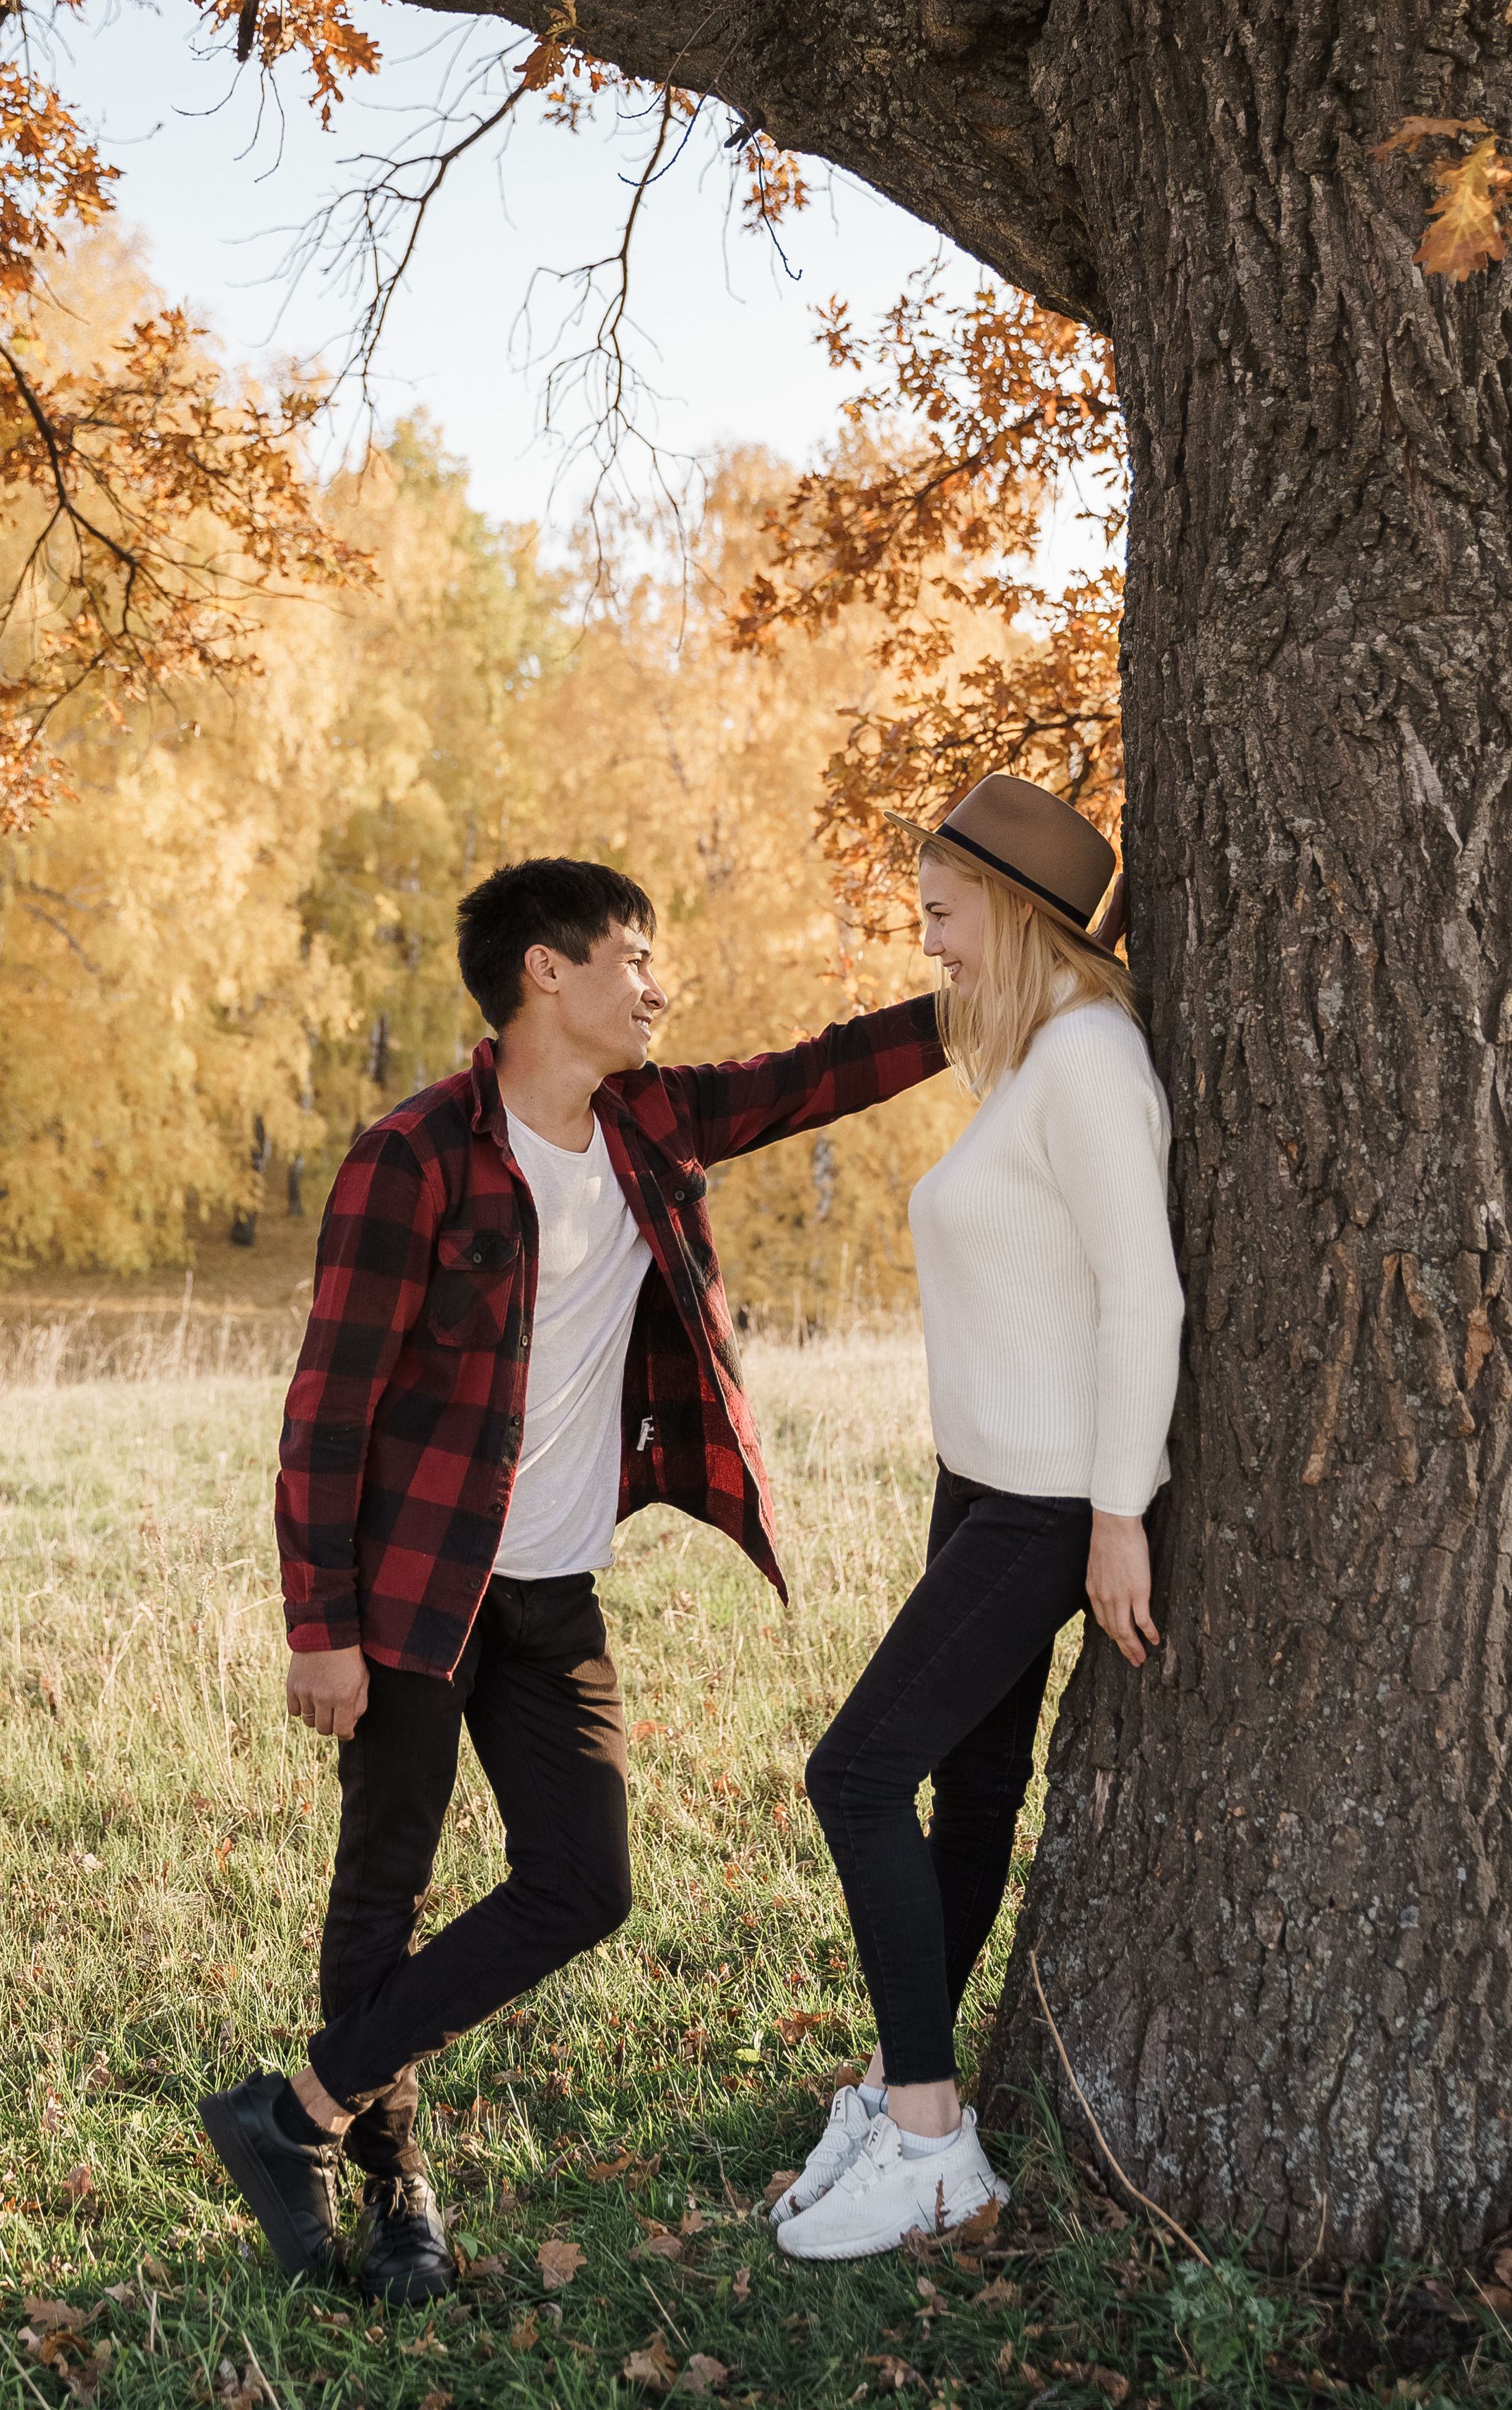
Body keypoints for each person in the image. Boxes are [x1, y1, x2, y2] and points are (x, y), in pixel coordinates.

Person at [198, 856, 953, 2304]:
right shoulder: (412, 1156)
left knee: (581, 1883)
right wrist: (321, 1628)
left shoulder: (651, 1122)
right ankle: (395, 2193)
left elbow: (817, 1076)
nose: (656, 987)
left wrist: (977, 1000)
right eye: (634, 958)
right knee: (384, 1895)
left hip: (552, 1595)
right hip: (415, 1594)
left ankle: (290, 2113)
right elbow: (327, 1406)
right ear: (547, 971)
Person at [770, 774, 1183, 2262]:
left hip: (1045, 1501)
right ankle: (895, 2087)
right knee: (965, 1791)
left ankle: (935, 2146)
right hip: (983, 1486)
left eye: (941, 912)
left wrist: (1117, 1516)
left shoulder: (1085, 1063)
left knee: (855, 1776)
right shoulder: (1026, 1062)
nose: (928, 940)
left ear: (1010, 911)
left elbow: (1145, 1291)